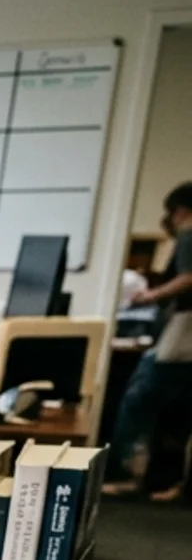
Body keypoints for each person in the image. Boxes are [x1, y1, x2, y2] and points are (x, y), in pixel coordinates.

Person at [107, 182, 192, 499]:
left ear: (178, 211)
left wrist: (150, 296)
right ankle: (168, 482)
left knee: (139, 399)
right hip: (183, 338)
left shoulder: (189, 234)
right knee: (178, 410)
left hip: (182, 334)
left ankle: (127, 475)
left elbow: (188, 278)